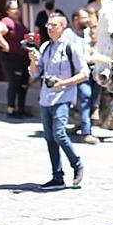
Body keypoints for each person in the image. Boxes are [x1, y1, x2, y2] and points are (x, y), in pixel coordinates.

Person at [28, 13, 90, 190]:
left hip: (63, 97)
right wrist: (32, 61)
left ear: (63, 27)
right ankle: (57, 176)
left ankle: (77, 165)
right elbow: (35, 72)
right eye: (48, 25)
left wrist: (64, 83)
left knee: (59, 134)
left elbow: (84, 73)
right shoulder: (46, 47)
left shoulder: (72, 47)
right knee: (49, 138)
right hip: (45, 98)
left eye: (53, 25)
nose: (49, 28)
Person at [0, 0, 31, 117]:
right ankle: (11, 110)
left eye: (18, 8)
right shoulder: (7, 21)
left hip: (22, 58)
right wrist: (5, 45)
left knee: (23, 84)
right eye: (14, 8)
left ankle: (21, 109)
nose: (17, 11)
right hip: (12, 58)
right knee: (14, 83)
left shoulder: (19, 23)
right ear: (8, 10)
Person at [64, 9, 98, 144]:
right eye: (84, 18)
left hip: (92, 70)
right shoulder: (69, 34)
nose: (88, 20)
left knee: (92, 99)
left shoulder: (86, 34)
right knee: (86, 98)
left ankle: (83, 124)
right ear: (76, 19)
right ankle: (86, 132)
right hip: (78, 73)